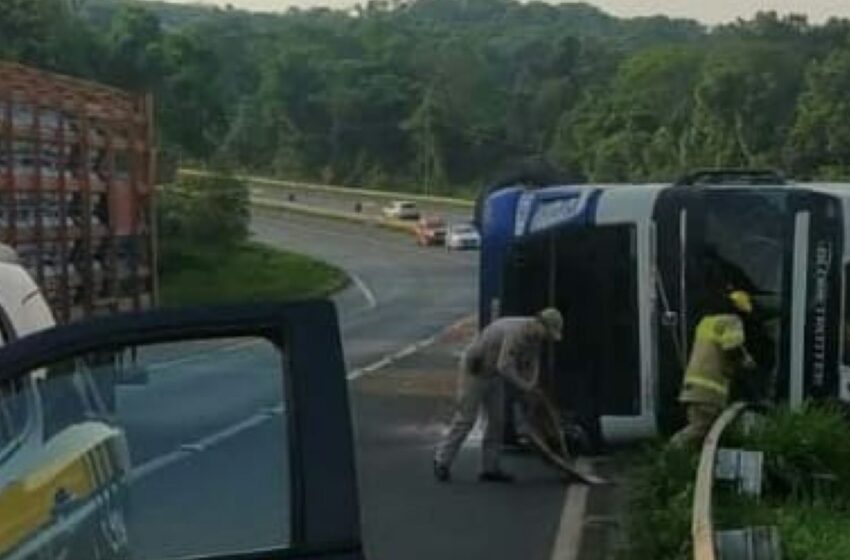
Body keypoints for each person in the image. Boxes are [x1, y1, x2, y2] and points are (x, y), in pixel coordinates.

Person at [433, 307, 564, 483]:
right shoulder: (517, 332)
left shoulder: (535, 337)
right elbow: (505, 365)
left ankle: (490, 468)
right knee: (466, 420)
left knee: (497, 421)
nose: (546, 338)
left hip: (494, 375)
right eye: (547, 333)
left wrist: (532, 385)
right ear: (540, 323)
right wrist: (525, 387)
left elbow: (533, 363)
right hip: (475, 371)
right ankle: (442, 461)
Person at [670, 289, 757, 448]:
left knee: (704, 434)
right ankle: (672, 453)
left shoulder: (707, 322)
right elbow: (732, 348)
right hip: (710, 389)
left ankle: (686, 462)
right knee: (702, 429)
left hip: (693, 387)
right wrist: (746, 362)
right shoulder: (731, 321)